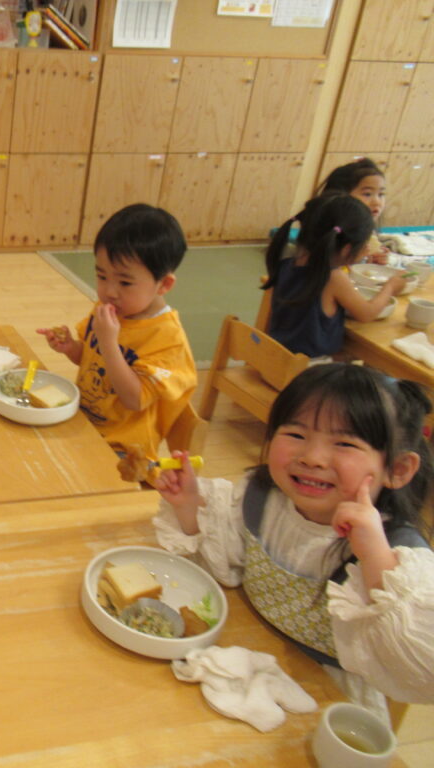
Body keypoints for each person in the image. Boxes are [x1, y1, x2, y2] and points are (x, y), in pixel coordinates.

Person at [154, 364, 434, 715]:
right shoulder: (262, 497)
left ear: (397, 469)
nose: (311, 458)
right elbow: (226, 560)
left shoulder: (399, 557)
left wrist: (376, 557)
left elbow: (424, 669)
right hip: (246, 650)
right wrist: (189, 504)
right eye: (296, 435)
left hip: (329, 694)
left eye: (345, 443)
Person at [36, 203, 196, 464]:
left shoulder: (168, 341)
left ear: (164, 284)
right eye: (102, 276)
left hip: (124, 449)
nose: (109, 291)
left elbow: (134, 399)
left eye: (125, 282)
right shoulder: (111, 309)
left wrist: (109, 342)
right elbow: (91, 358)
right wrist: (71, 348)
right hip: (82, 421)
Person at [264, 193, 407, 360]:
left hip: (276, 357)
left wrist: (355, 260)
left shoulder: (287, 264)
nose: (367, 249)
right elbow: (366, 313)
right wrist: (390, 287)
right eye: (364, 245)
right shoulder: (334, 278)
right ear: (347, 249)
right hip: (308, 367)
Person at [318, 157, 389, 264]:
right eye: (367, 194)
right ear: (341, 196)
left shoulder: (366, 230)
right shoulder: (327, 232)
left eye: (381, 194)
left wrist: (371, 260)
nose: (377, 202)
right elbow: (323, 268)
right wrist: (352, 261)